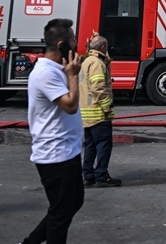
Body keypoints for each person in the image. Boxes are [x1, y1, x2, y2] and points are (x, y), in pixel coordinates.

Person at [22, 18, 84, 244]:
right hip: (55, 154)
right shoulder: (46, 73)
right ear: (62, 45)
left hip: (67, 151)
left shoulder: (58, 69)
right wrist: (74, 75)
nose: (77, 44)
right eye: (73, 40)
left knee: (72, 202)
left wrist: (71, 72)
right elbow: (70, 105)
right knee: (60, 213)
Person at [79, 34, 120, 188]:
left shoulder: (87, 61)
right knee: (103, 145)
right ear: (103, 48)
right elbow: (98, 87)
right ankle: (101, 176)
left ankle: (88, 176)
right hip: (98, 113)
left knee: (90, 145)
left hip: (87, 113)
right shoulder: (97, 63)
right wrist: (107, 106)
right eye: (106, 48)